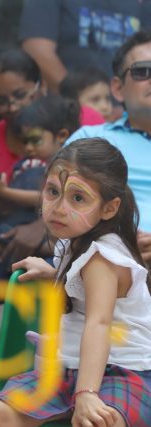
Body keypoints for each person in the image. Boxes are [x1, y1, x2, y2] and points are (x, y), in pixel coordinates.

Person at [0, 137, 151, 427]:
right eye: (53, 192)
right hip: (71, 369)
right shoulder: (73, 241)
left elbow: (98, 324)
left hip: (122, 371)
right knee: (3, 415)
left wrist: (87, 394)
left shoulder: (103, 258)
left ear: (109, 208)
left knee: (99, 424)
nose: (59, 207)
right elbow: (75, 284)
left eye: (78, 198)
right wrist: (52, 271)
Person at [66, 30, 151, 265]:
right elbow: (62, 211)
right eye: (143, 71)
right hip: (111, 265)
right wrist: (120, 243)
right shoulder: (90, 139)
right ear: (118, 88)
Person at [0, 95, 81, 276]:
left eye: (35, 140)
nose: (28, 148)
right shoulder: (29, 163)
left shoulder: (65, 167)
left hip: (51, 234)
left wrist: (5, 192)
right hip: (18, 227)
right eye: (25, 141)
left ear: (61, 136)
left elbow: (46, 197)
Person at [18, 0, 151, 92]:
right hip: (68, 113)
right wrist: (80, 102)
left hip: (130, 113)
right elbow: (37, 52)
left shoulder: (142, 4)